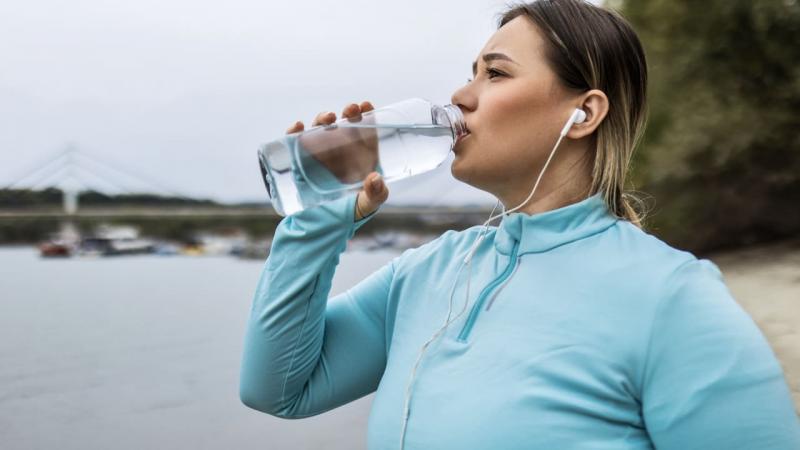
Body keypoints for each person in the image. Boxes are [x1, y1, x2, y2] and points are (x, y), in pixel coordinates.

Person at [239, 1, 800, 448]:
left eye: (495, 74)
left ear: (584, 113)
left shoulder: (672, 298)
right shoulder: (426, 272)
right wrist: (315, 225)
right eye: (470, 74)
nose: (460, 96)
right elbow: (279, 389)